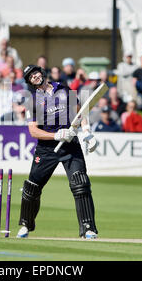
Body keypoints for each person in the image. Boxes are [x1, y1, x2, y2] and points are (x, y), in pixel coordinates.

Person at [16, 64, 99, 240]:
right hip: (47, 149)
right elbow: (33, 132)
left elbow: (79, 113)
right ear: (30, 82)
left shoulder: (62, 88)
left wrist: (87, 132)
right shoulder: (32, 100)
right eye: (31, 77)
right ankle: (25, 224)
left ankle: (88, 228)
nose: (35, 77)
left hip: (70, 144)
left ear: (42, 72)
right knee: (32, 188)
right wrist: (56, 135)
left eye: (36, 73)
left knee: (80, 182)